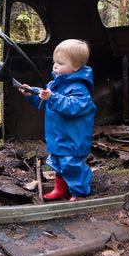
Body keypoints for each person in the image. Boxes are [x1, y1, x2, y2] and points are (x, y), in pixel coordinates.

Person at [18, 39, 96, 201]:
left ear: (75, 67)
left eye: (60, 63)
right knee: (58, 165)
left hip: (73, 139)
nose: (55, 66)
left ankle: (79, 193)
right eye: (54, 62)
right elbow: (44, 98)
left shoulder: (79, 89)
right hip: (58, 137)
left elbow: (72, 107)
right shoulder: (55, 85)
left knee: (71, 166)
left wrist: (52, 97)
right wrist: (31, 92)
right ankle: (60, 189)